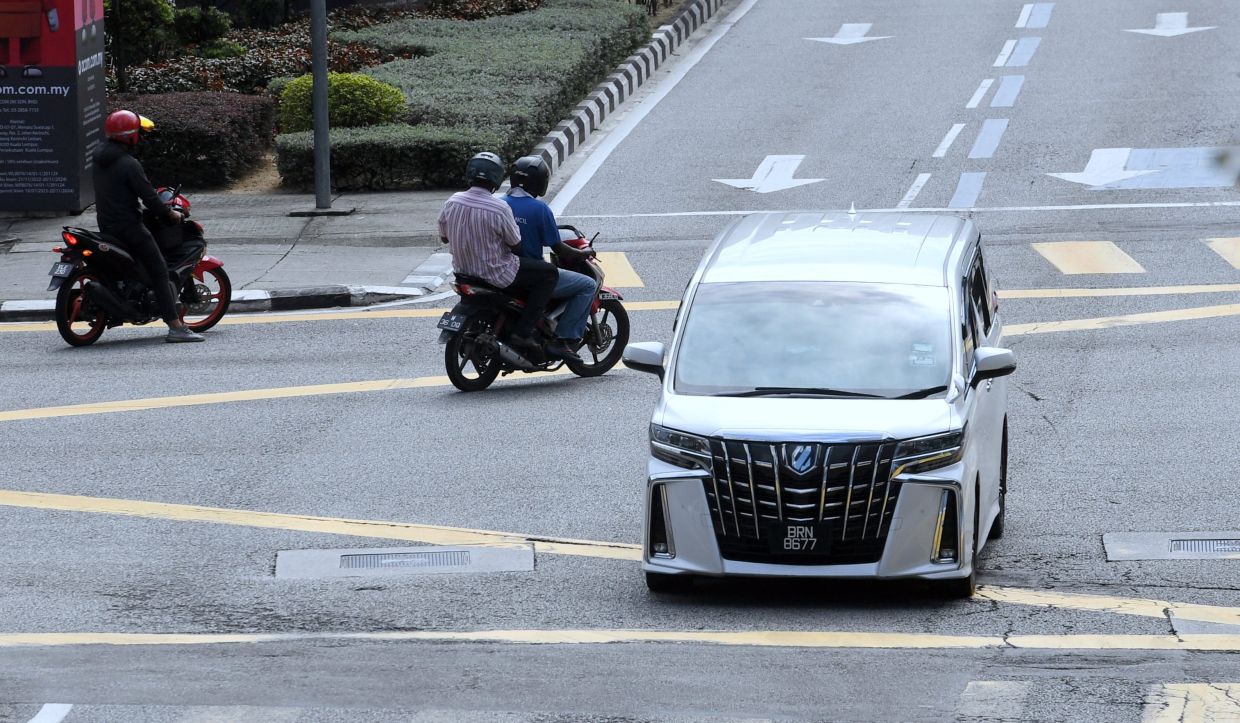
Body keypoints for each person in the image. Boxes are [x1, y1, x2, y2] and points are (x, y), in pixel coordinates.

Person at [438, 152, 578, 362]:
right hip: (496, 274)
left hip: (463, 273)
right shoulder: (499, 207)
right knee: (549, 273)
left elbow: (444, 238)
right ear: (496, 180)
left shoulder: (452, 201)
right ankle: (523, 332)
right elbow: (517, 245)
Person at [93, 110, 204, 342]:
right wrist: (170, 214)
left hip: (106, 225)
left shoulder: (98, 156)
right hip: (129, 227)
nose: (140, 138)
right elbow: (150, 198)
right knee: (159, 270)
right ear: (131, 136)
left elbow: (119, 193)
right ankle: (175, 327)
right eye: (138, 134)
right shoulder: (129, 164)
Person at [502, 156, 598, 350]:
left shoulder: (500, 204)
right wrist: (583, 253)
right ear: (540, 183)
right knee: (588, 284)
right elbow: (558, 248)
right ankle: (564, 339)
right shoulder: (539, 209)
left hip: (501, 271)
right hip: (530, 274)